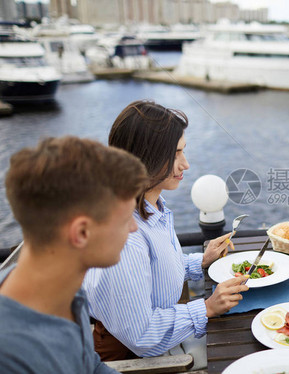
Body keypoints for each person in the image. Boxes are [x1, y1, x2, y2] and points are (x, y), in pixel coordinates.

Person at [83, 100, 249, 365]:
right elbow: (142, 337)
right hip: (133, 358)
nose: (186, 164)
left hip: (159, 339)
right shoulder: (125, 236)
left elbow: (152, 273)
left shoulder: (151, 205)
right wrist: (206, 307)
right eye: (175, 154)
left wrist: (200, 262)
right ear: (145, 157)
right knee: (244, 350)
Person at [0, 136, 148, 373]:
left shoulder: (66, 286)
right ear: (81, 233)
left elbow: (90, 366)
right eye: (125, 218)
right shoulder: (9, 355)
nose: (134, 227)